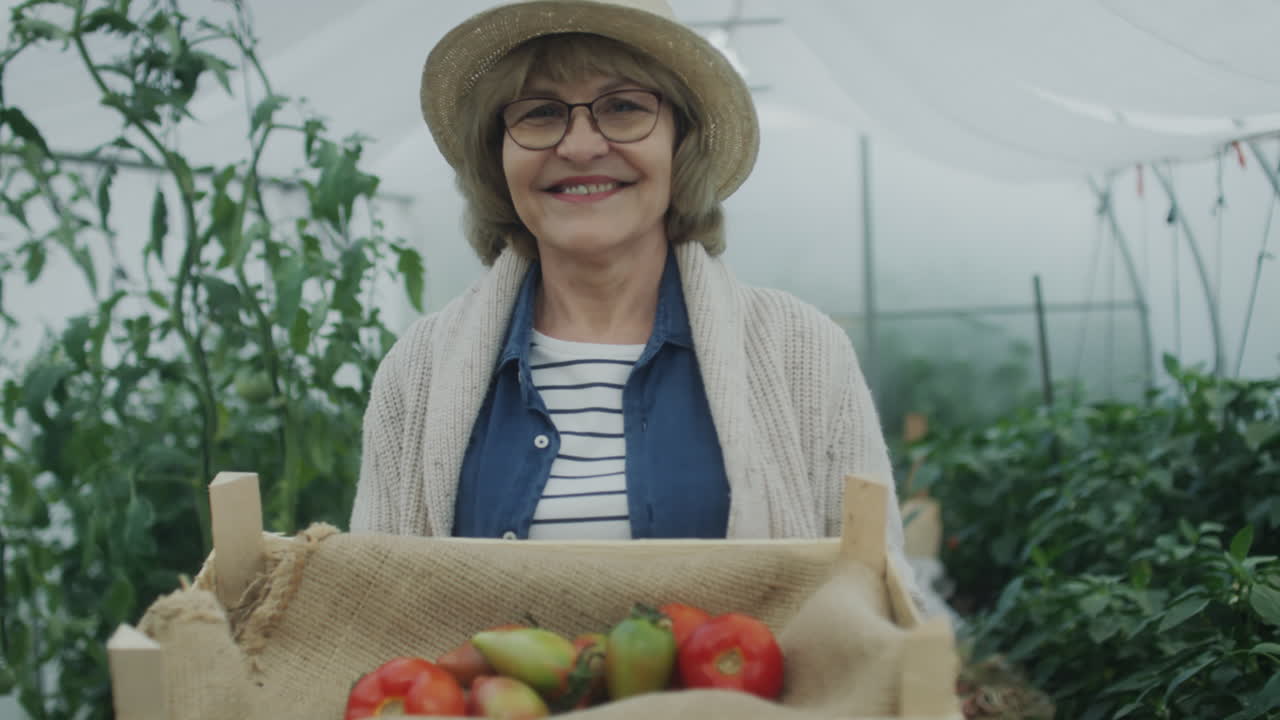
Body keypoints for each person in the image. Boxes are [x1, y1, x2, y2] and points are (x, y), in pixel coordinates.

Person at [350, 0, 913, 586]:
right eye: (541, 113)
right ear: (499, 155)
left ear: (681, 144)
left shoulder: (803, 353)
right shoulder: (418, 370)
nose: (581, 146)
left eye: (623, 107)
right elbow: (372, 606)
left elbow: (873, 602)